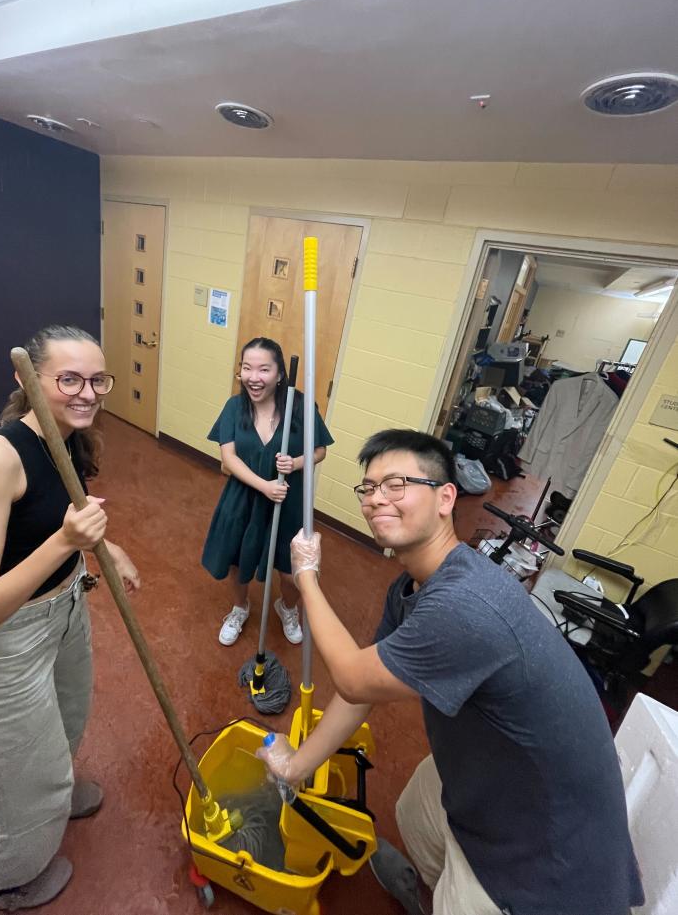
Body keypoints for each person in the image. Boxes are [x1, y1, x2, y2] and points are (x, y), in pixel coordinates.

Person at [258, 429, 644, 915]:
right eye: (369, 488)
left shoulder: (465, 606)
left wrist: (308, 580)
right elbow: (364, 691)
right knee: (414, 812)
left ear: (446, 498)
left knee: (466, 895)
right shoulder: (415, 585)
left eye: (396, 484)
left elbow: (352, 677)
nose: (377, 499)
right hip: (487, 769)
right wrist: (297, 767)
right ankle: (427, 895)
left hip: (542, 851)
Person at [0, 325, 140, 912]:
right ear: (26, 380)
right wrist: (65, 544)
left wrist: (109, 552)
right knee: (24, 775)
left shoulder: (70, 438)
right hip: (7, 643)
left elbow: (71, 513)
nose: (87, 393)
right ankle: (6, 882)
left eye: (96, 379)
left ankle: (53, 790)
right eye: (68, 379)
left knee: (69, 714)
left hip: (66, 610)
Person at [202, 336, 333, 646]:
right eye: (247, 368)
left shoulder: (300, 406)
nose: (254, 377)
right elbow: (228, 457)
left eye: (264, 369)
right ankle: (240, 607)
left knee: (292, 572)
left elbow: (320, 451)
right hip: (243, 498)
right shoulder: (235, 407)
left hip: (288, 501)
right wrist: (264, 486)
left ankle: (287, 608)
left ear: (278, 374)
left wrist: (296, 462)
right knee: (237, 562)